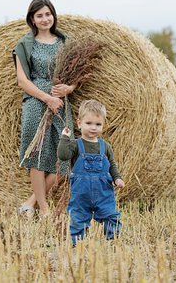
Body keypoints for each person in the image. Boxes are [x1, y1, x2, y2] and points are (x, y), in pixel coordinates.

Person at [12, 0, 76, 217]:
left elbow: (76, 76)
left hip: (60, 101)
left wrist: (68, 89)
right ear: (32, 19)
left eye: (48, 14)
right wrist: (47, 98)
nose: (45, 18)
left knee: (67, 154)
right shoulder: (24, 45)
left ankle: (30, 203)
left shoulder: (65, 42)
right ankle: (45, 209)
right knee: (37, 154)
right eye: (39, 15)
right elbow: (22, 81)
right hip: (35, 101)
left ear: (53, 15)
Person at [57, 99, 125, 244]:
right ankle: (77, 244)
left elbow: (112, 164)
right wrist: (64, 138)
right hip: (81, 193)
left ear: (103, 125)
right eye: (89, 123)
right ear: (79, 123)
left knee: (111, 215)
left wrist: (117, 178)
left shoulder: (105, 146)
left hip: (103, 192)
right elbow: (63, 156)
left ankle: (112, 241)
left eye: (98, 124)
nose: (93, 128)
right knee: (78, 218)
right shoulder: (75, 145)